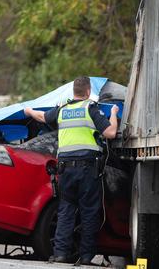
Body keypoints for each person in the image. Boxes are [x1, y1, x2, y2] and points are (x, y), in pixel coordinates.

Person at [24, 76, 118, 265]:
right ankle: (85, 257)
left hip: (65, 171)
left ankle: (60, 254)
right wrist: (114, 113)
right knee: (89, 212)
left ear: (73, 92)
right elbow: (110, 133)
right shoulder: (90, 109)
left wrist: (28, 110)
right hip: (87, 170)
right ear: (88, 92)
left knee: (66, 211)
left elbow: (42, 117)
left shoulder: (63, 110)